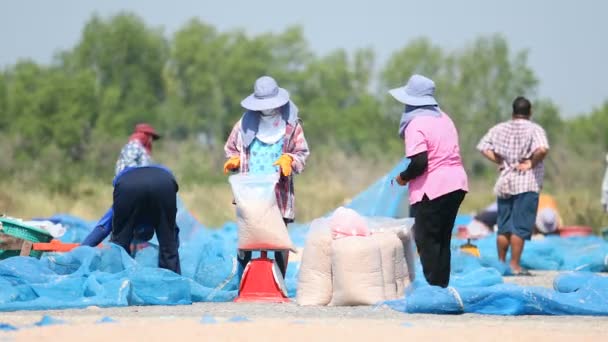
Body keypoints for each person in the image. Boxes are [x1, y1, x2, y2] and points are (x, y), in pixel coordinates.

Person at [224, 75, 310, 278]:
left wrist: (289, 160)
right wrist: (234, 159)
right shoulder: (244, 124)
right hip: (250, 190)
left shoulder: (291, 125)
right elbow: (232, 148)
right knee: (248, 238)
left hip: (278, 191)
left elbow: (302, 152)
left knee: (279, 238)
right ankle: (244, 282)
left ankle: (278, 281)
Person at [391, 74, 468, 288]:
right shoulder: (444, 118)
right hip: (457, 184)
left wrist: (402, 177)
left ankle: (434, 289)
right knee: (443, 239)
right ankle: (441, 287)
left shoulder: (416, 124)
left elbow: (419, 162)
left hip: (433, 188)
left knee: (426, 239)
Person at [477, 96, 549, 276]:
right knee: (520, 226)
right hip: (527, 182)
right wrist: (531, 163)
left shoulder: (500, 128)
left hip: (505, 182)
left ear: (513, 112)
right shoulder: (534, 129)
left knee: (504, 226)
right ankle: (515, 265)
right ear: (530, 112)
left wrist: (499, 160)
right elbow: (543, 149)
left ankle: (501, 264)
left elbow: (483, 146)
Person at [81, 165, 181, 274]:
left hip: (129, 184)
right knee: (168, 243)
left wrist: (81, 250)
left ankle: (118, 280)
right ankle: (172, 283)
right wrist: (171, 251)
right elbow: (172, 233)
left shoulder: (127, 212)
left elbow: (103, 228)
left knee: (120, 243)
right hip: (163, 182)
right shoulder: (158, 214)